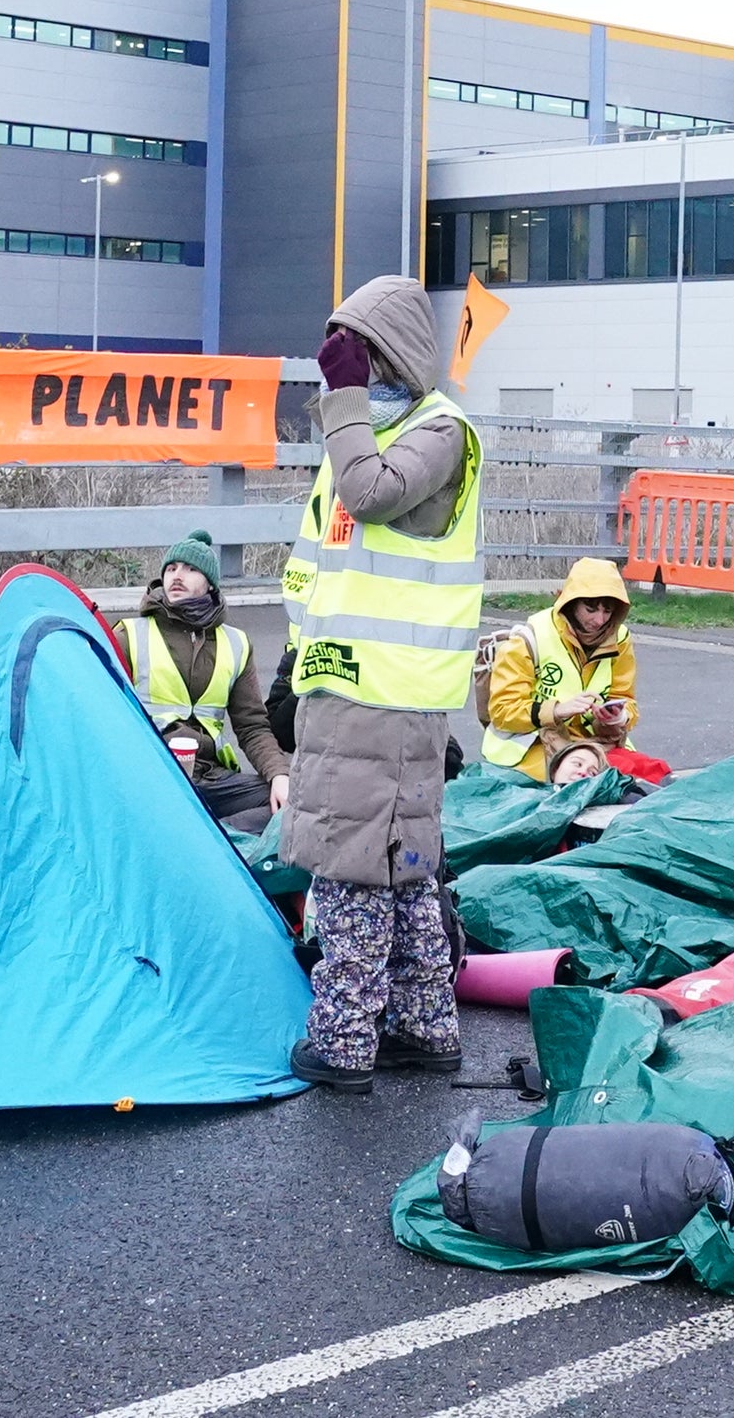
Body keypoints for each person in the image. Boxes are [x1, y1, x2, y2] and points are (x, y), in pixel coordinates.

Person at [280, 273, 484, 1092]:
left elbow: (371, 496)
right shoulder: (372, 432)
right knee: (398, 866)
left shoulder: (437, 433)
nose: (342, 365)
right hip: (346, 687)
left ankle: (344, 1040)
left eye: (356, 348)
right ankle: (421, 1026)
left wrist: (344, 399)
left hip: (391, 694)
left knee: (356, 865)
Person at [119, 529, 288, 823]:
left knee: (290, 806)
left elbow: (252, 727)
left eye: (190, 569)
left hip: (211, 778)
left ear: (210, 584)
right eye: (171, 569)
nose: (177, 575)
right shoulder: (130, 635)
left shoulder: (235, 643)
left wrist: (279, 775)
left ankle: (218, 844)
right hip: (151, 775)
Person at [480, 558, 641, 781]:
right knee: (572, 784)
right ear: (570, 602)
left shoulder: (620, 638)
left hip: (595, 744)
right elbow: (502, 711)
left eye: (608, 610)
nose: (599, 619)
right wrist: (556, 711)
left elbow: (626, 700)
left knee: (641, 776)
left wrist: (617, 717)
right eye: (591, 608)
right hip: (532, 745)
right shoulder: (529, 637)